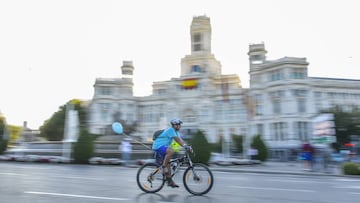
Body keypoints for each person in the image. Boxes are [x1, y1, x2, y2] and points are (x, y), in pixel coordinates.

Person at [152, 118, 191, 188]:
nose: (180, 126)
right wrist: (185, 146)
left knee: (169, 164)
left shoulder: (176, 132)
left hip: (163, 147)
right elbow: (177, 140)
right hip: (158, 146)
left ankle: (170, 182)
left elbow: (181, 140)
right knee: (171, 151)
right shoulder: (171, 130)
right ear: (175, 125)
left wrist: (187, 146)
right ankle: (163, 166)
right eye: (179, 125)